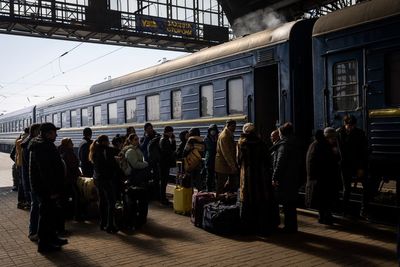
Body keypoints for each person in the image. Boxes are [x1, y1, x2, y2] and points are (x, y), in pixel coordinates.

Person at [29, 123, 67, 253]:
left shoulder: (44, 144)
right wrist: (52, 190)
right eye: (53, 132)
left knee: (51, 215)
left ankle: (52, 238)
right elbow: (45, 171)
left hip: (48, 188)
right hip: (46, 189)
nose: (56, 134)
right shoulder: (41, 147)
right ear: (47, 133)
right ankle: (44, 244)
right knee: (46, 216)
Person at [237, 123, 279, 235]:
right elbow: (267, 158)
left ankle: (248, 226)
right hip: (261, 175)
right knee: (261, 198)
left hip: (247, 175)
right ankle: (262, 226)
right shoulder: (261, 143)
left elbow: (239, 160)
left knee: (247, 198)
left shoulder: (242, 143)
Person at [271, 122, 301, 233]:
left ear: (282, 133)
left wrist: (274, 177)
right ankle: (293, 226)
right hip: (293, 177)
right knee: (291, 204)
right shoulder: (295, 142)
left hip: (285, 179)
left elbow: (280, 163)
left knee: (287, 203)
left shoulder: (284, 145)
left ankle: (289, 227)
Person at [305, 128, 340, 225]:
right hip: (324, 178)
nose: (334, 140)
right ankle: (327, 218)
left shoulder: (315, 144)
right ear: (328, 137)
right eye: (332, 138)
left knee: (322, 200)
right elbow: (329, 162)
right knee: (326, 199)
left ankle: (322, 217)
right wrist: (335, 154)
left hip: (319, 178)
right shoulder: (324, 146)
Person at [336, 115, 369, 216]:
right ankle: (345, 210)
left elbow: (363, 152)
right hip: (344, 165)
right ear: (345, 124)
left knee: (366, 187)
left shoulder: (360, 134)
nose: (350, 127)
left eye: (352, 126)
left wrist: (361, 167)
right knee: (346, 188)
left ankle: (363, 210)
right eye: (349, 125)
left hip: (356, 164)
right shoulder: (338, 133)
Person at [89, 135, 119, 234]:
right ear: (103, 142)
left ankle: (103, 223)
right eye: (107, 141)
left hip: (97, 179)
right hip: (105, 179)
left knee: (102, 201)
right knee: (111, 201)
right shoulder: (106, 151)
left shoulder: (95, 151)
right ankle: (110, 225)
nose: (109, 142)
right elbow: (111, 165)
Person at [21, 123, 41, 242]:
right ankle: (33, 232)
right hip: (35, 182)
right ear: (34, 132)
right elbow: (33, 166)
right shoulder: (30, 145)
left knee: (36, 207)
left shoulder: (28, 143)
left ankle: (35, 231)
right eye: (39, 131)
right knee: (36, 207)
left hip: (33, 181)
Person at [58, 138, 82, 223]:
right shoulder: (68, 153)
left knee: (67, 197)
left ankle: (68, 214)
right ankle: (76, 215)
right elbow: (73, 166)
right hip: (70, 179)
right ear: (67, 144)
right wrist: (78, 173)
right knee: (76, 195)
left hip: (66, 179)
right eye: (71, 143)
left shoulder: (62, 152)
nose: (72, 144)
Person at [215, 119, 238, 195]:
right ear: (228, 126)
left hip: (226, 164)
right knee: (221, 185)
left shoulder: (228, 134)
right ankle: (219, 200)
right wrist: (232, 166)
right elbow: (226, 153)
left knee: (229, 183)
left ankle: (226, 198)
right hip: (223, 165)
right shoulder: (224, 136)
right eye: (233, 126)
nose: (235, 128)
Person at [159, 126, 176, 205]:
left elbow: (171, 149)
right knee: (163, 181)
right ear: (168, 132)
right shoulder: (164, 140)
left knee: (164, 181)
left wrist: (173, 140)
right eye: (171, 132)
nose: (172, 133)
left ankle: (163, 198)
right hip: (164, 164)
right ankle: (162, 199)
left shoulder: (165, 139)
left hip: (164, 163)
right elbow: (169, 151)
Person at [204, 124, 219, 192]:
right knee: (209, 175)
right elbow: (211, 147)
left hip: (215, 159)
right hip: (209, 159)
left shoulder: (217, 137)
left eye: (214, 130)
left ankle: (215, 188)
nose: (213, 132)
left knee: (215, 175)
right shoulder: (207, 138)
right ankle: (208, 189)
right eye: (211, 130)